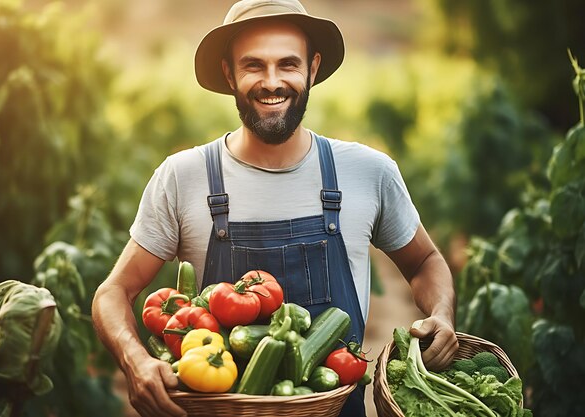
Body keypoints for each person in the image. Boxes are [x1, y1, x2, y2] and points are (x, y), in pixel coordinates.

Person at [91, 0, 458, 416]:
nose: (271, 82)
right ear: (229, 73)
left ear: (312, 69)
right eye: (253, 66)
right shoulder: (183, 176)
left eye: (288, 64)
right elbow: (112, 292)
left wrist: (442, 315)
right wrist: (134, 360)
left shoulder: (367, 171)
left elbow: (425, 260)